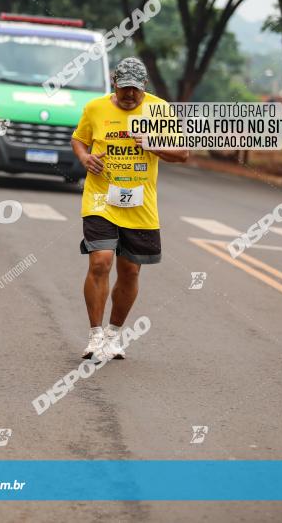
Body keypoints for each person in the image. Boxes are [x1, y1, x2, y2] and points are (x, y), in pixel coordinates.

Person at [70, 57, 188, 360]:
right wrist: (85, 159)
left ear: (144, 87)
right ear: (114, 84)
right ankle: (95, 336)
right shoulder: (95, 108)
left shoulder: (159, 110)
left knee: (131, 269)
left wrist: (152, 143)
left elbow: (182, 153)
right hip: (100, 197)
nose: (130, 95)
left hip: (140, 203)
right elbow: (79, 140)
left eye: (136, 90)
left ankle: (112, 335)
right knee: (100, 261)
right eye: (124, 89)